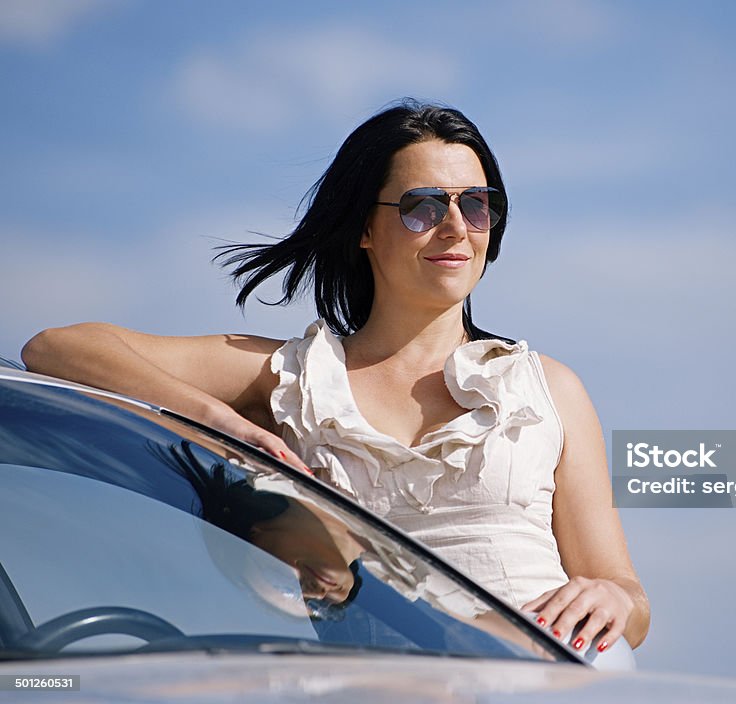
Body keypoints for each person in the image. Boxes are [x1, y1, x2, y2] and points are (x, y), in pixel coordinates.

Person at [21, 99, 650, 654]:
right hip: (371, 685)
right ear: (363, 229)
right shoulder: (295, 378)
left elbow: (628, 598)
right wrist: (220, 421)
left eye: (476, 204)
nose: (456, 227)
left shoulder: (547, 388)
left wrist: (616, 600)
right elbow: (56, 348)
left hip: (545, 677)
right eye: (422, 206)